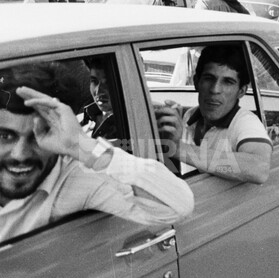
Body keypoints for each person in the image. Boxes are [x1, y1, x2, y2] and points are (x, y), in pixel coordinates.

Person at [0, 63, 194, 243]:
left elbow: (177, 205)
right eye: (5, 136)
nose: (19, 154)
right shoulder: (84, 117)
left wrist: (83, 146)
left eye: (37, 136)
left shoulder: (76, 174)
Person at [153, 45, 272, 184]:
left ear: (241, 91)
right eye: (209, 78)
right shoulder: (189, 116)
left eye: (228, 82)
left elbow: (259, 169)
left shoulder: (245, 122)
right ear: (196, 82)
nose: (215, 89)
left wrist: (179, 149)